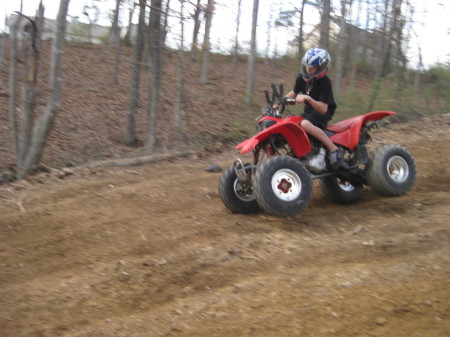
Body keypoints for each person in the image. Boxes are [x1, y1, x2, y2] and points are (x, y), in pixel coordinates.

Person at [285, 48, 344, 170]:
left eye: (312, 67)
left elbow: (323, 109)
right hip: (309, 111)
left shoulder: (325, 82)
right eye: (307, 66)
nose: (308, 69)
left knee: (305, 124)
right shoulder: (301, 78)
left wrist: (307, 98)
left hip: (324, 111)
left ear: (321, 68)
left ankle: (333, 149)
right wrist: (279, 103)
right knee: (291, 123)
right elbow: (294, 92)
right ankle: (302, 154)